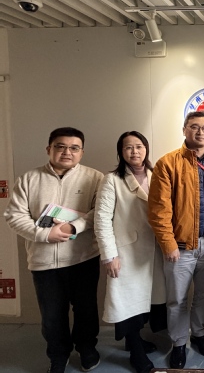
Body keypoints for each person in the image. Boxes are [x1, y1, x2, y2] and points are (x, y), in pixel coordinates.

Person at [4, 127, 104, 373]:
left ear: (82, 152)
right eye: (60, 146)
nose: (67, 152)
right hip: (44, 261)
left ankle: (87, 348)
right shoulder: (29, 179)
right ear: (49, 149)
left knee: (86, 309)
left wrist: (74, 226)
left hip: (83, 257)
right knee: (51, 315)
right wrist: (45, 234)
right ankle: (58, 355)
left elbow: (100, 212)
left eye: (74, 148)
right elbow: (14, 216)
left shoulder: (95, 178)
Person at [147, 111, 204, 369]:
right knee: (177, 299)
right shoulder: (167, 163)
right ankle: (178, 343)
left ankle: (199, 333)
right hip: (180, 247)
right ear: (184, 130)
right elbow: (159, 209)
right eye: (194, 127)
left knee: (203, 293)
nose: (200, 132)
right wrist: (168, 243)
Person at [94, 131, 167, 373]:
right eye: (128, 147)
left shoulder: (157, 175)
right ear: (121, 152)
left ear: (146, 149)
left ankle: (134, 340)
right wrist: (109, 255)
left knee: (149, 302)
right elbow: (101, 219)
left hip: (156, 252)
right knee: (128, 305)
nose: (134, 151)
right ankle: (136, 351)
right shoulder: (112, 180)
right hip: (126, 252)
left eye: (139, 146)